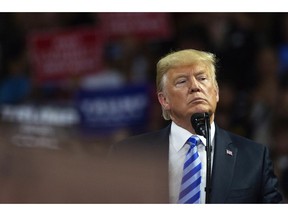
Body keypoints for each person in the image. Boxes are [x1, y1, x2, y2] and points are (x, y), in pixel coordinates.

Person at [109, 49, 283, 203]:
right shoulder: (128, 155)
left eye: (202, 78)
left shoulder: (253, 158)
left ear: (216, 93)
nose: (195, 87)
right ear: (164, 100)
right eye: (182, 81)